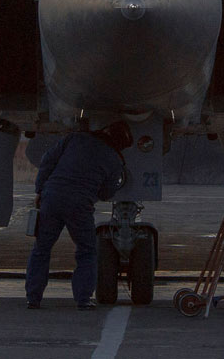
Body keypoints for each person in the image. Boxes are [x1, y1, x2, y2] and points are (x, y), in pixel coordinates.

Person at [25, 121, 130, 310]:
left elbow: (48, 159)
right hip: (80, 205)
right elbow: (107, 193)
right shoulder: (115, 160)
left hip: (52, 197)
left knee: (41, 248)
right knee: (87, 250)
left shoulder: (75, 139)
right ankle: (83, 299)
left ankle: (33, 297)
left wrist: (40, 189)